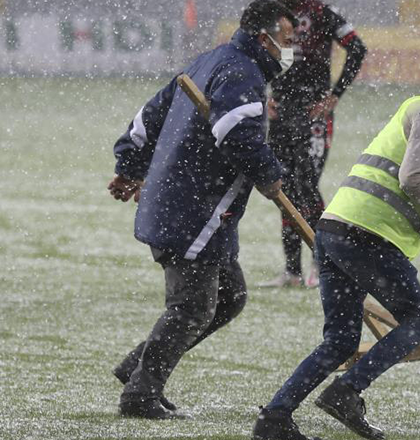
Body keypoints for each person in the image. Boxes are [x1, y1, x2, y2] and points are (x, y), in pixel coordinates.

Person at [251, 66, 420, 440]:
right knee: (418, 321)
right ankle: (346, 392)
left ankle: (274, 419)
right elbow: (416, 180)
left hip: (336, 231)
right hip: (369, 235)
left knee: (340, 341)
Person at [106, 0, 295, 419]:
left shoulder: (212, 61)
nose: (290, 50)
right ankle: (140, 395)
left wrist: (130, 167)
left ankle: (137, 370)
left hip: (186, 204)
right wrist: (269, 173)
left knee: (230, 297)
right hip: (193, 209)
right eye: (286, 40)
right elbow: (235, 133)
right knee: (192, 307)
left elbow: (147, 118)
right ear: (264, 37)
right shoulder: (241, 72)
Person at [257, 0, 367, 289]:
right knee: (283, 187)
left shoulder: (322, 13)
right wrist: (264, 91)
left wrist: (335, 94)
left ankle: (323, 263)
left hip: (313, 113)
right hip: (281, 112)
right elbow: (257, 51)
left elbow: (357, 48)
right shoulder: (274, 13)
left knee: (306, 184)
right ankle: (292, 271)